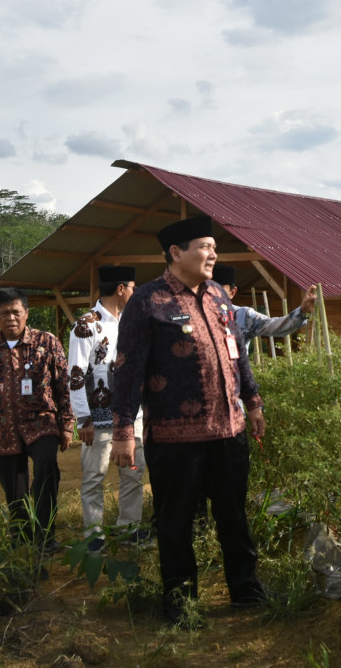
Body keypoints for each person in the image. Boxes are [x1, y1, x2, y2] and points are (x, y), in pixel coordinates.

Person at [110, 215, 269, 625]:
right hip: (175, 438)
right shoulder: (147, 301)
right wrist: (124, 431)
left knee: (234, 516)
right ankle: (181, 603)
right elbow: (126, 370)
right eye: (205, 246)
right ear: (176, 253)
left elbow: (239, 354)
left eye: (215, 247)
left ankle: (246, 592)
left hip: (229, 430)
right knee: (176, 522)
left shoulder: (218, 295)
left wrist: (252, 403)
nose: (213, 253)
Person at [0, 288, 72, 554]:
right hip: (3, 430)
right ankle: (21, 541)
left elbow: (63, 386)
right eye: (4, 313)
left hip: (42, 424)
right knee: (15, 491)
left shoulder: (47, 342)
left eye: (16, 312)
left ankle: (46, 537)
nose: (11, 318)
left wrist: (67, 424)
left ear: (26, 313)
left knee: (46, 472)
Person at [69, 265, 148, 551]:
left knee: (133, 473)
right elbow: (75, 373)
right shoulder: (86, 324)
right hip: (98, 415)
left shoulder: (132, 321)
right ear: (120, 289)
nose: (135, 293)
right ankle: (94, 534)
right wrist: (83, 419)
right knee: (94, 476)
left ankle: (129, 527)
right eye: (132, 287)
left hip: (131, 414)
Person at [210, 264, 318, 345]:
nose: (212, 294)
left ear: (232, 292)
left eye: (219, 290)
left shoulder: (243, 316)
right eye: (208, 289)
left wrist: (302, 311)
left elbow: (276, 326)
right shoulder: (194, 314)